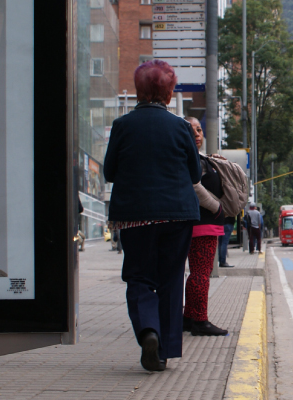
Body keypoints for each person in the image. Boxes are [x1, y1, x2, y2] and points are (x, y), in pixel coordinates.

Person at [103, 60, 202, 372]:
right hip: (177, 214)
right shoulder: (180, 128)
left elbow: (109, 173)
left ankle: (148, 331)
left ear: (138, 91)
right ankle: (164, 350)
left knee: (139, 277)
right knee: (171, 279)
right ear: (169, 93)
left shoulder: (122, 126)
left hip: (135, 215)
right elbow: (194, 173)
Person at [182, 116, 228, 336]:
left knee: (197, 273)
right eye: (192, 130)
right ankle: (200, 320)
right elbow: (195, 187)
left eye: (199, 129)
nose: (197, 134)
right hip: (202, 223)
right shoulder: (192, 160)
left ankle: (190, 317)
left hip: (200, 223)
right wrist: (217, 207)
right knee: (201, 272)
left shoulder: (199, 158)